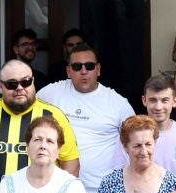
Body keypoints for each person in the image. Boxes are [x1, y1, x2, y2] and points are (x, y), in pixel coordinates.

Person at [38, 45, 135, 182]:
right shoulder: (50, 93)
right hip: (60, 186)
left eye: (89, 66)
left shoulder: (118, 103)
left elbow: (135, 141)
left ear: (98, 69)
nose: (84, 71)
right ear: (68, 71)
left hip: (103, 190)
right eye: (77, 66)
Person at [0, 59, 79, 182]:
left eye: (25, 82)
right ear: (0, 87)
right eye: (12, 84)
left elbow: (71, 164)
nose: (19, 88)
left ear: (33, 81)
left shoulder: (55, 116)